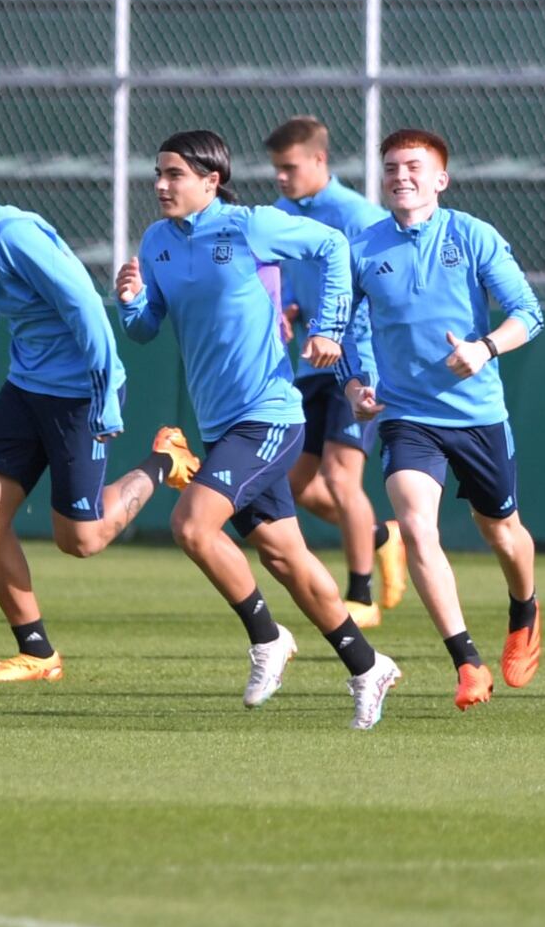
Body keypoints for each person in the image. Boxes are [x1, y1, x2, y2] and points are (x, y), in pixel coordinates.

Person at [116, 129, 400, 730]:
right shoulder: (157, 241)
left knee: (191, 526)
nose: (162, 186)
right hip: (221, 424)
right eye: (158, 175)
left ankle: (267, 639)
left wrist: (327, 326)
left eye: (174, 175)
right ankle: (367, 665)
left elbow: (331, 248)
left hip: (269, 413)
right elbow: (146, 329)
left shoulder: (246, 225)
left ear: (210, 181)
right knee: (285, 557)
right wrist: (130, 302)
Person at [0, 142, 196, 683]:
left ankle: (163, 461)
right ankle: (36, 652)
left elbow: (82, 304)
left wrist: (105, 394)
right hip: (25, 390)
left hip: (82, 393)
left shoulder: (12, 235)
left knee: (79, 541)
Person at [336, 127, 544, 711]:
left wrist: (483, 348)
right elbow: (343, 330)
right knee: (417, 525)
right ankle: (467, 662)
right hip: (407, 416)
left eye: (414, 167)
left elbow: (529, 314)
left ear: (440, 179)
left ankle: (524, 607)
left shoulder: (472, 235)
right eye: (392, 167)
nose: (402, 176)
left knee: (502, 530)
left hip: (478, 415)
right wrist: (354, 383)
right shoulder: (363, 249)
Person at [265, 115, 407, 627]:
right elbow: (290, 281)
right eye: (276, 168)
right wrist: (289, 310)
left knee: (343, 479)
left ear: (319, 160)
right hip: (310, 364)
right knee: (297, 484)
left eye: (290, 167)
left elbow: (374, 286)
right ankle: (379, 538)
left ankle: (361, 595)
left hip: (357, 360)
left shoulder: (357, 215)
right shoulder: (282, 213)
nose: (282, 177)